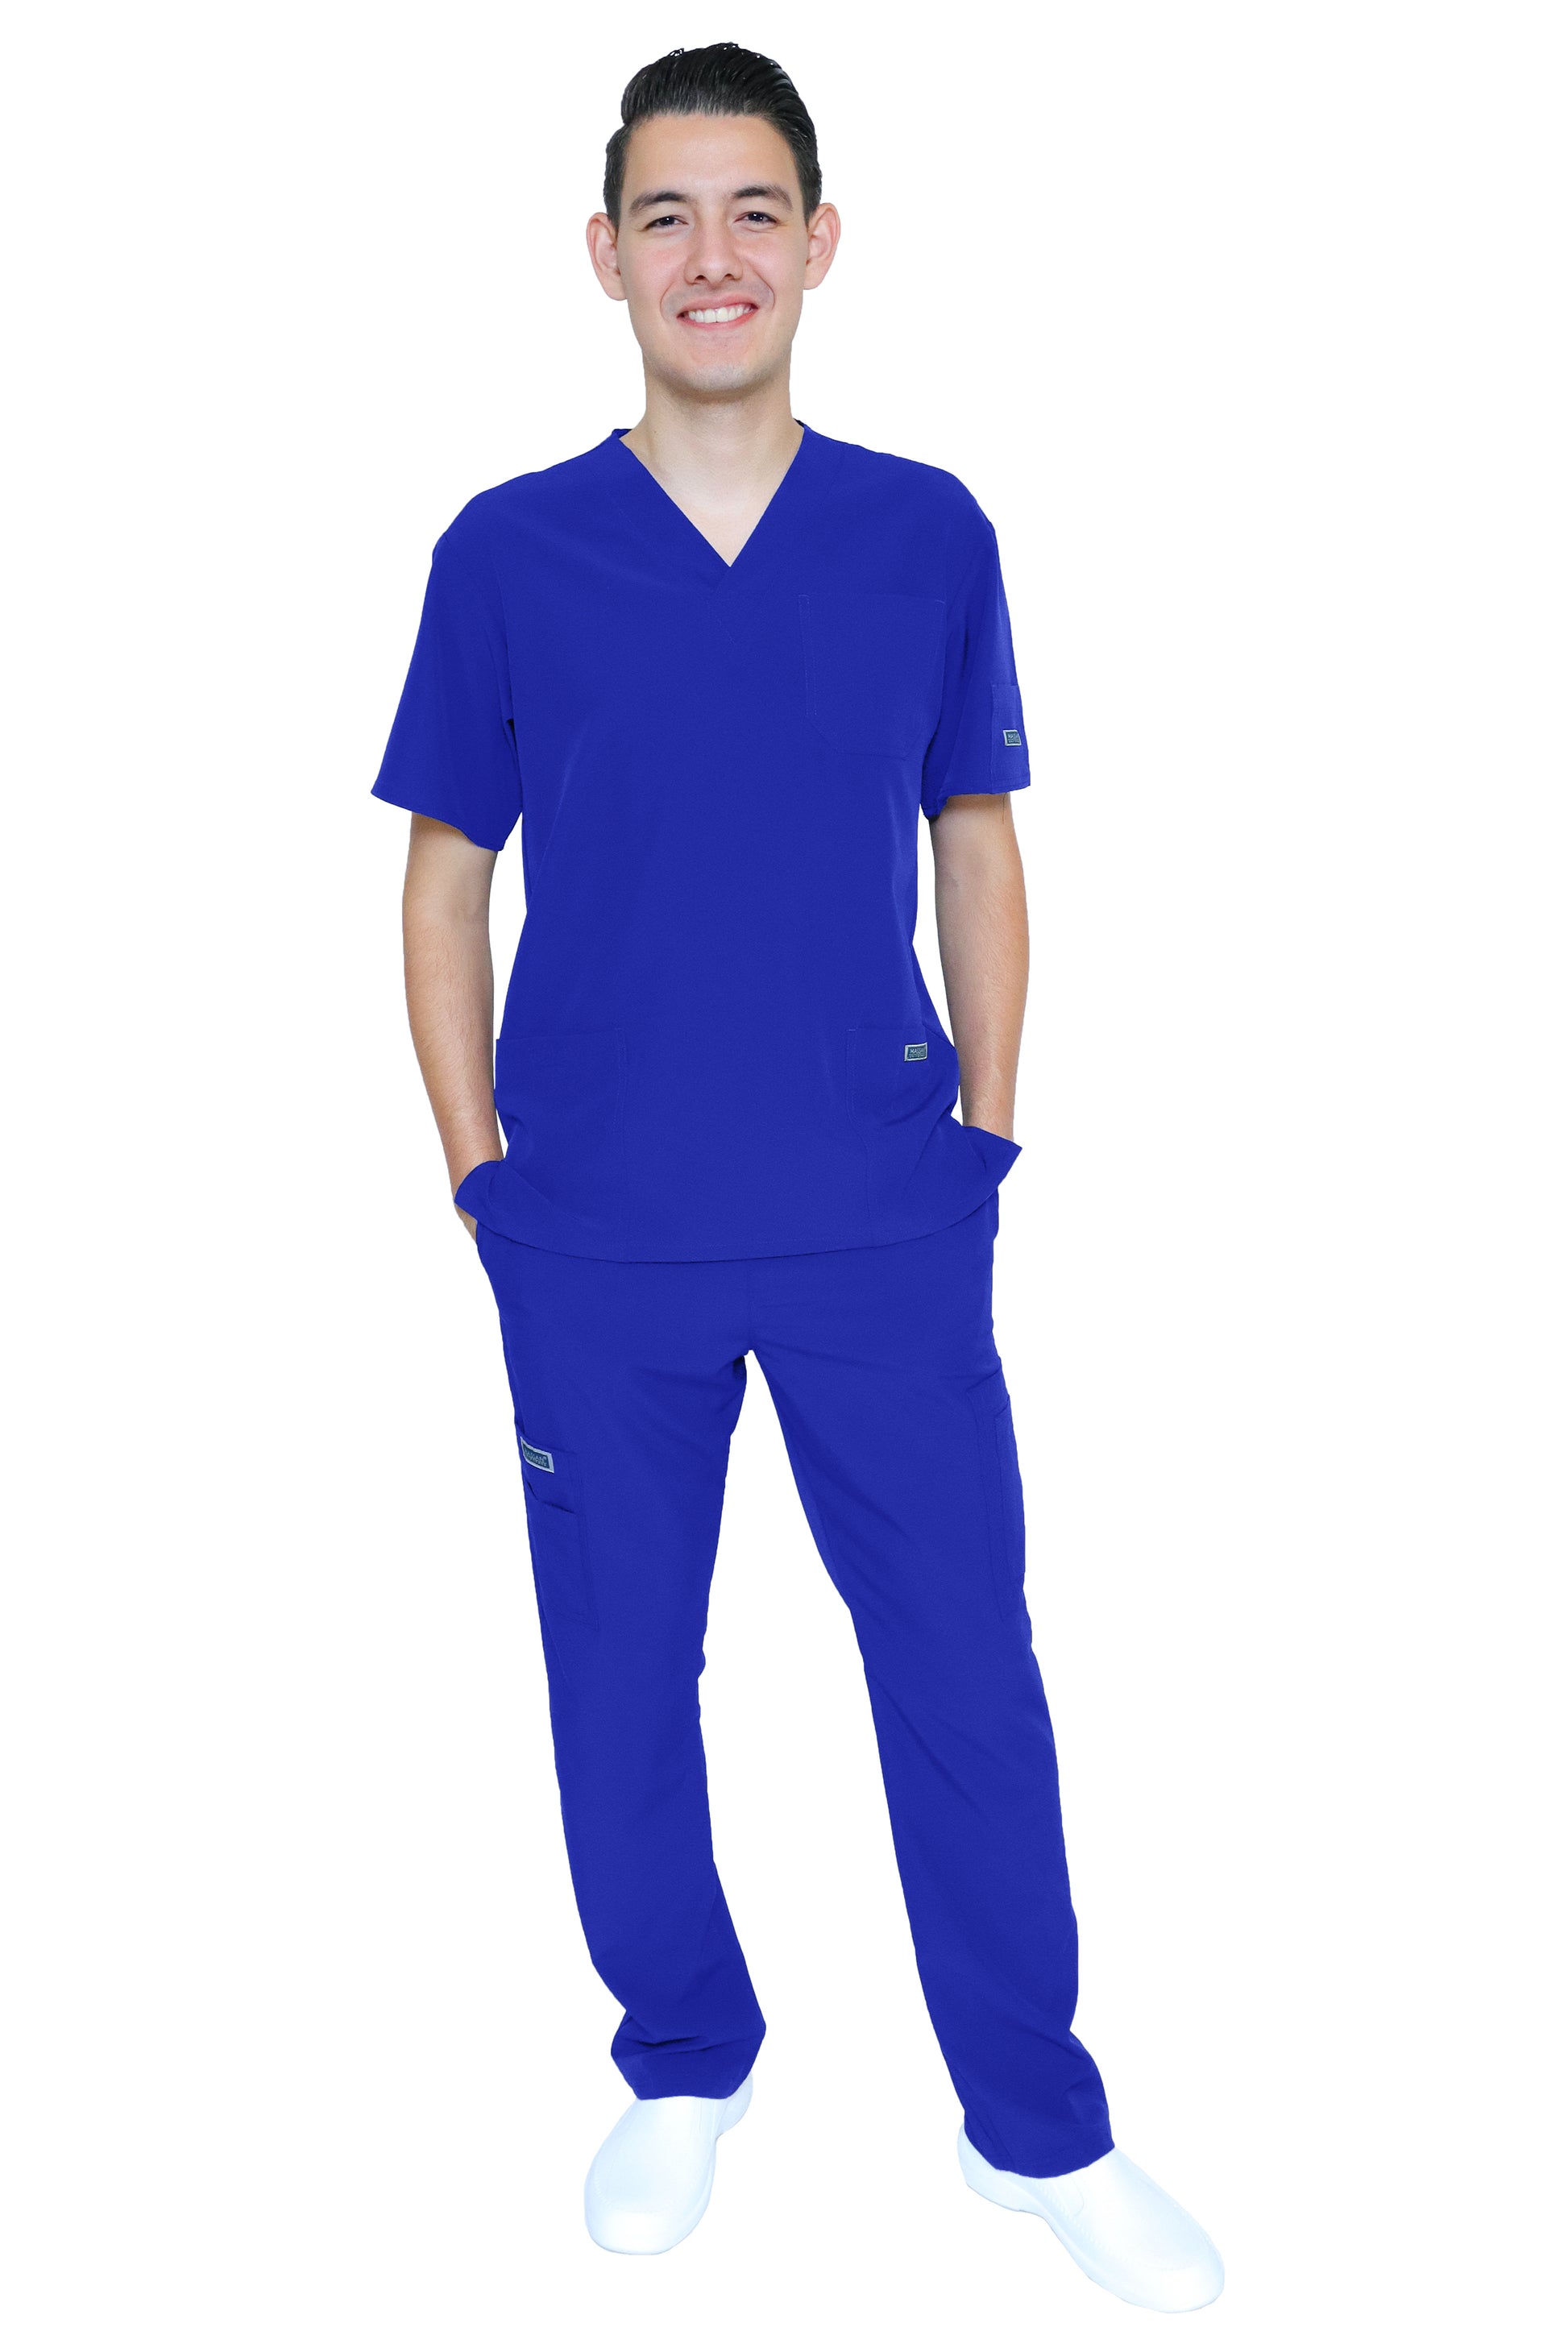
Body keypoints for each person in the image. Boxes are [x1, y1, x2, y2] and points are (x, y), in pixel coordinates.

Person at [371, 42, 1222, 2310]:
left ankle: (1034, 2125)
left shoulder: (926, 532)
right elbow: (444, 880)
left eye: (754, 209)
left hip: (880, 1221)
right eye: (666, 214)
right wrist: (480, 1176)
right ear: (604, 256)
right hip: (593, 1237)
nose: (713, 255)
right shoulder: (508, 551)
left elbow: (978, 836)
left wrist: (985, 1133)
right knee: (617, 1671)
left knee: (963, 1671)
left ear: (821, 242)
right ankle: (685, 2059)